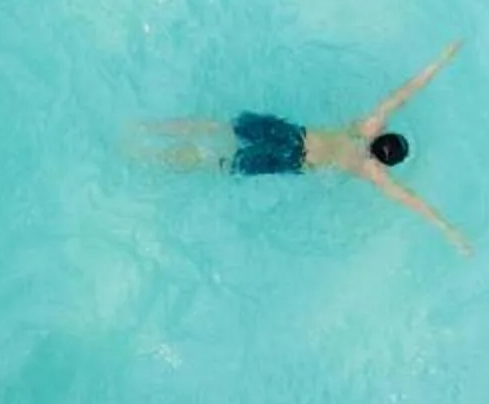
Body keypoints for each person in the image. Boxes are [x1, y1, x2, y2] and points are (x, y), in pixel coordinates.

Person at [136, 40, 471, 255]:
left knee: (222, 126)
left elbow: (405, 92)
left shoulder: (365, 126)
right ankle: (150, 158)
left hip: (295, 135)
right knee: (222, 162)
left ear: (381, 136)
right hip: (291, 159)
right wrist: (448, 230)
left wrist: (443, 58)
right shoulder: (369, 170)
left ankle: (154, 127)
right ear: (387, 162)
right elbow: (410, 200)